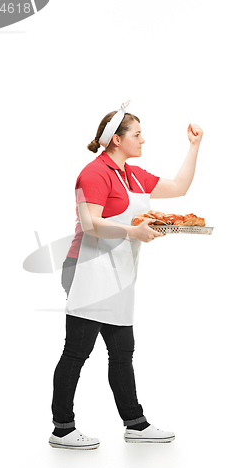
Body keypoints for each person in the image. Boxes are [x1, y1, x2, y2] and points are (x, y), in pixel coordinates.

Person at [49, 101, 203, 450]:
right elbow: (89, 225)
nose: (143, 140)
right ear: (116, 140)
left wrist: (194, 146)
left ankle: (135, 423)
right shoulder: (94, 173)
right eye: (137, 134)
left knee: (122, 352)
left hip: (118, 272)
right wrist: (133, 233)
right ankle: (62, 428)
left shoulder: (132, 174)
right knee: (77, 351)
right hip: (87, 269)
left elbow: (179, 187)